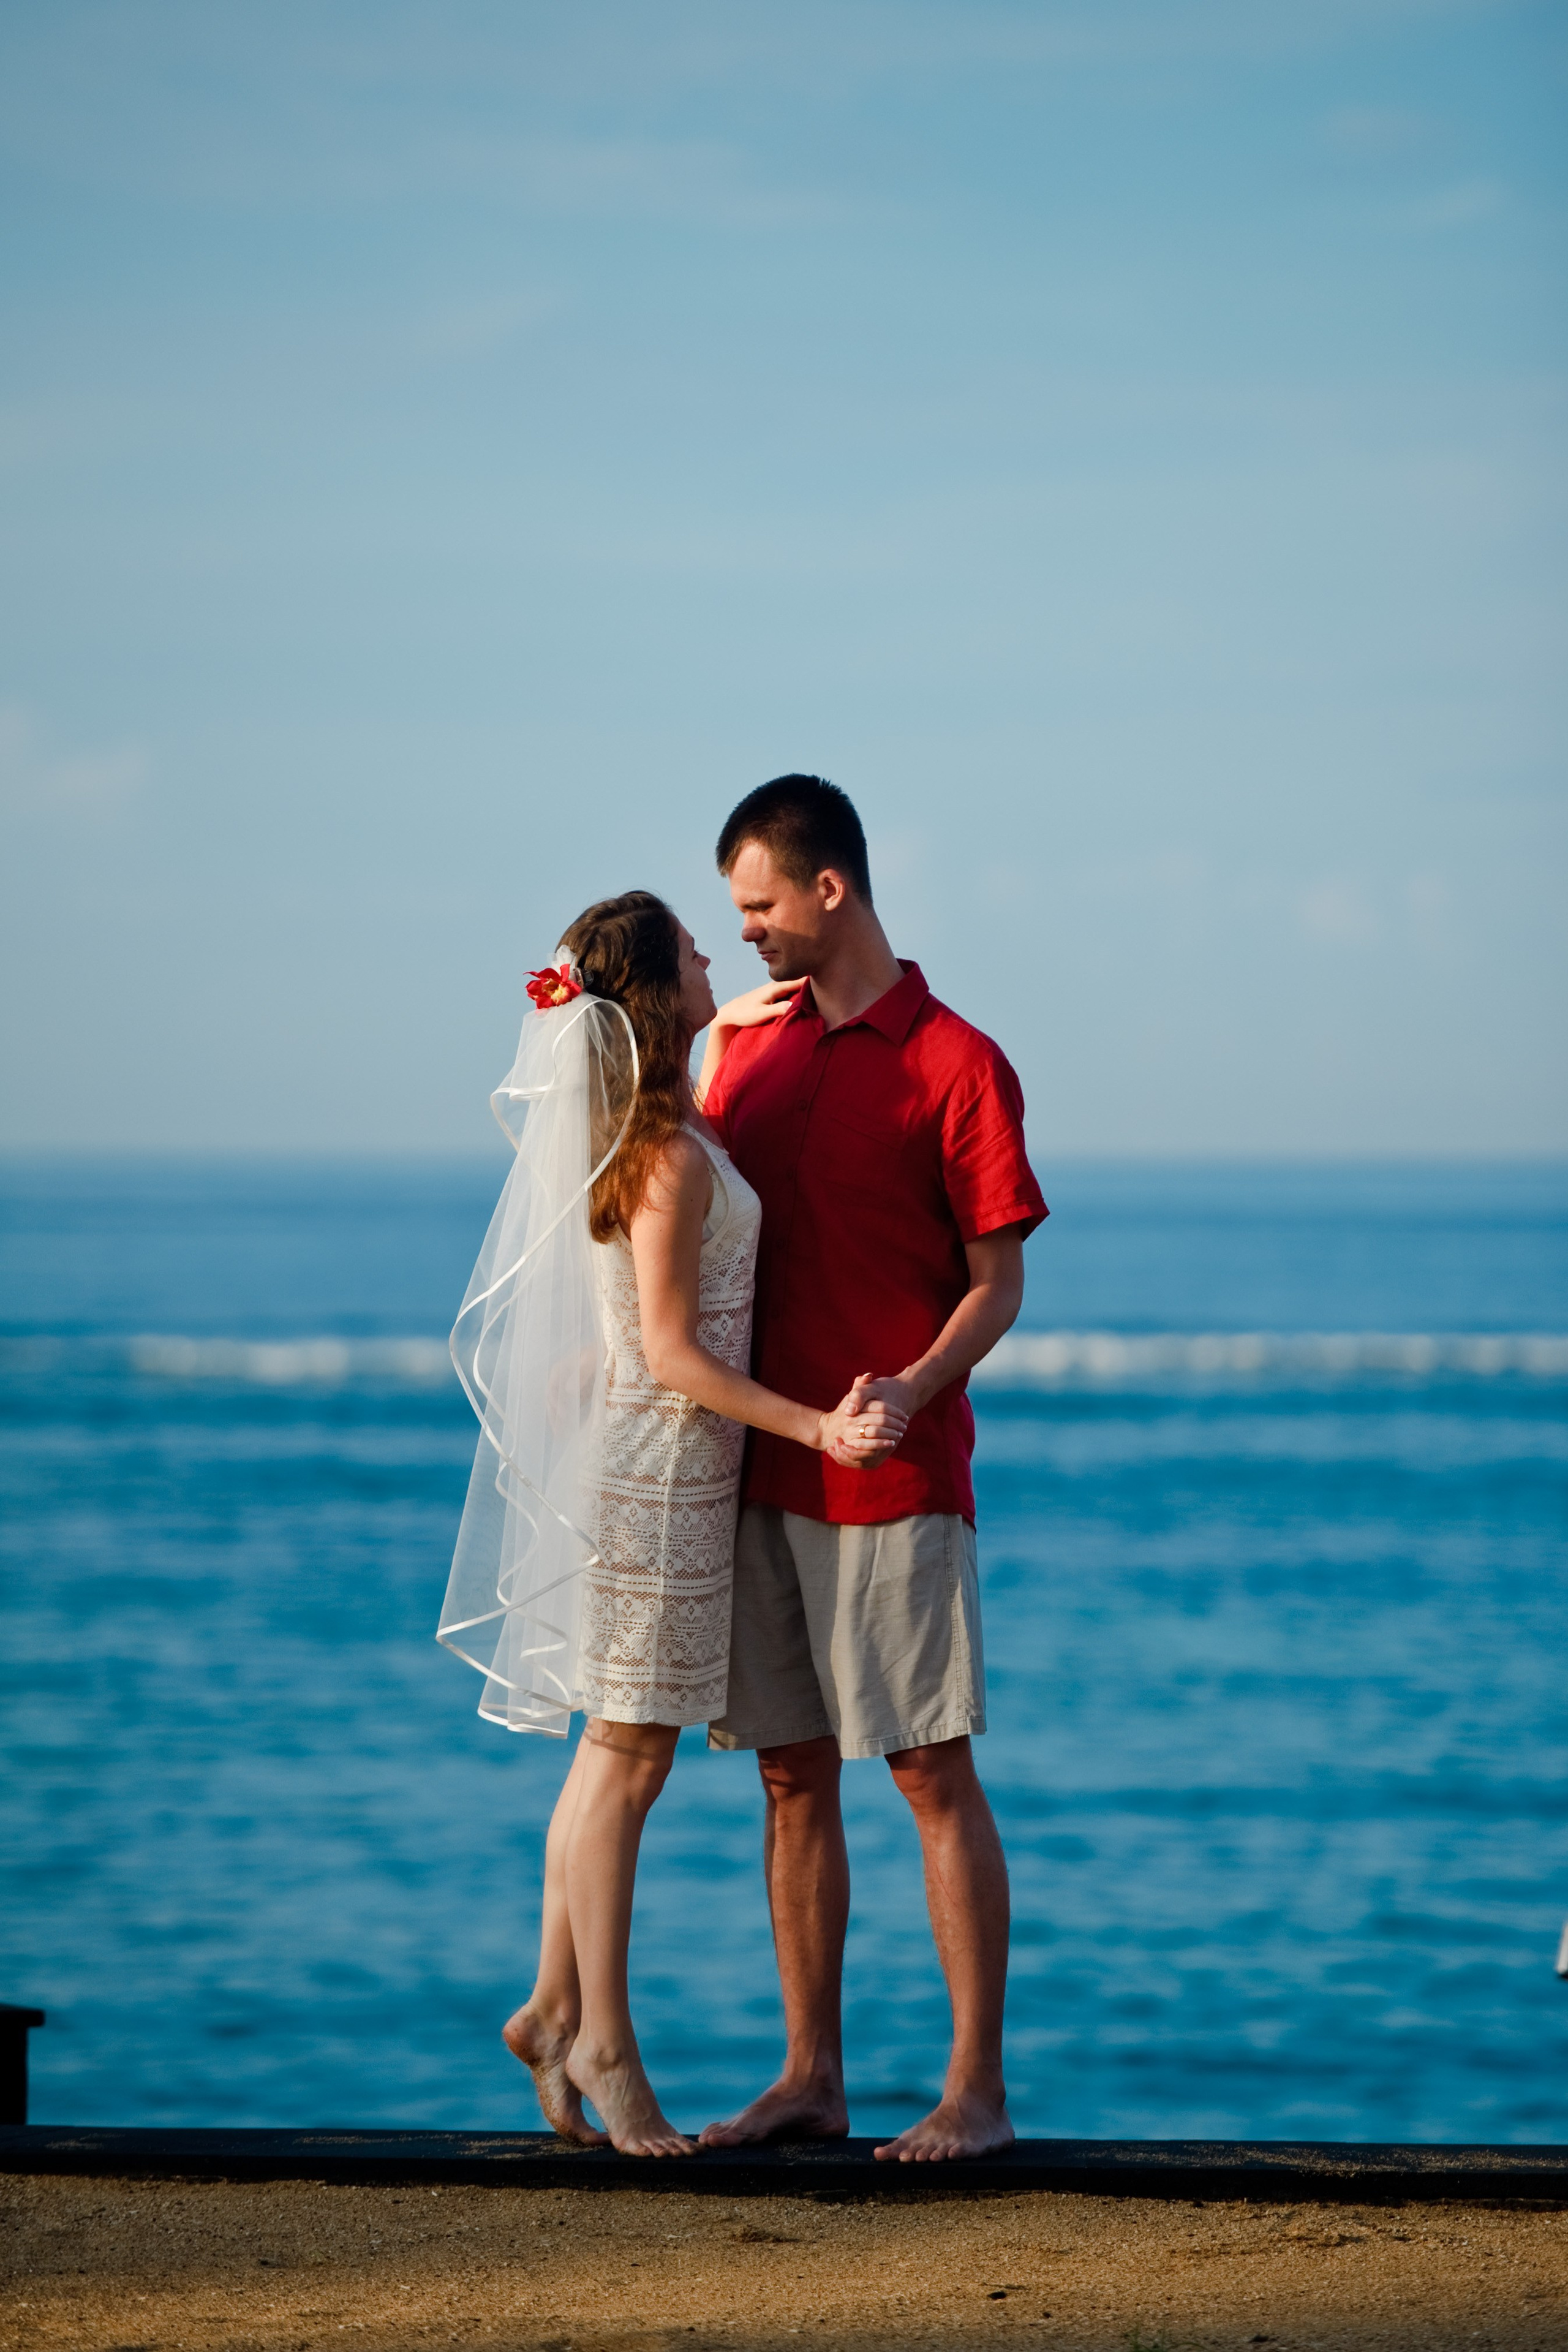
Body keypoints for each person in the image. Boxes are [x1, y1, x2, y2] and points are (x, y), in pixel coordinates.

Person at [438, 889, 908, 2157]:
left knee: (609, 1754)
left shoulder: (655, 1121)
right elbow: (669, 1350)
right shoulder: (667, 1156)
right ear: (656, 992)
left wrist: (726, 1023)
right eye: (696, 952)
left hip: (669, 1479)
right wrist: (812, 1427)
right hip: (653, 1481)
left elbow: (641, 1303)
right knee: (628, 1762)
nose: (717, 953)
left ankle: (549, 2010)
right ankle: (603, 2041)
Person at [695, 777, 1048, 2164]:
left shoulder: (959, 1062)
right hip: (760, 1471)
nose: (747, 930)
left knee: (926, 1771)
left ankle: (976, 2095)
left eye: (761, 905)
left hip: (897, 1478)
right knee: (789, 1777)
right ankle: (811, 2079)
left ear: (828, 888)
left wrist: (911, 1384)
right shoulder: (749, 1051)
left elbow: (997, 1283)